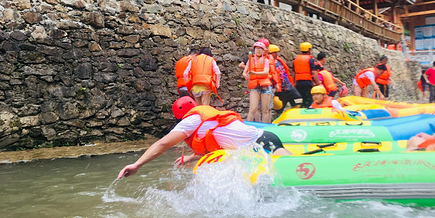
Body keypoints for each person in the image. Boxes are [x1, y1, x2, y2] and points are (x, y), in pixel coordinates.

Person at [117, 97, 291, 178]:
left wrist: (137, 164)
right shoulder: (202, 122)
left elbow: (163, 143)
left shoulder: (190, 121)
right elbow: (216, 145)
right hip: (257, 144)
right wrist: (191, 158)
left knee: (292, 171)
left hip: (263, 141)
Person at [269, 44, 303, 116]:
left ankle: (293, 115)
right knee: (279, 106)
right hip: (279, 88)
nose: (276, 54)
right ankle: (278, 117)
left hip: (288, 85)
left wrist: (291, 82)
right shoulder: (267, 62)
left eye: (276, 52)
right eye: (274, 52)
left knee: (298, 99)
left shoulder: (279, 61)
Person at [243, 42, 272, 123]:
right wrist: (245, 75)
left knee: (265, 110)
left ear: (263, 51)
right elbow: (245, 72)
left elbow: (266, 72)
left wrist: (254, 73)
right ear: (254, 50)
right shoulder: (250, 60)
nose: (258, 50)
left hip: (265, 86)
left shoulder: (265, 60)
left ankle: (264, 128)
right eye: (257, 49)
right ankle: (248, 127)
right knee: (253, 109)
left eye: (260, 49)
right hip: (255, 86)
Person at [293, 42, 320, 107]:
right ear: (309, 50)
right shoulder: (310, 59)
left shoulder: (296, 59)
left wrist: (294, 82)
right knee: (308, 99)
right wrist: (318, 82)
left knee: (300, 99)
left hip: (298, 83)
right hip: (307, 82)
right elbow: (313, 72)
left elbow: (293, 72)